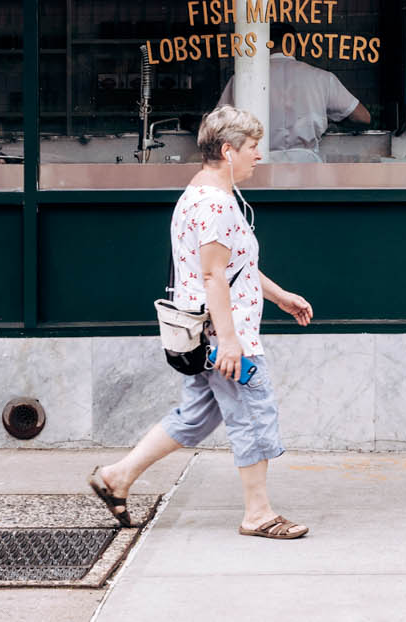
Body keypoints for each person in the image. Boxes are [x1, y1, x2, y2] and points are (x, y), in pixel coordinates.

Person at [89, 106, 315, 540]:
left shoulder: (202, 192)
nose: (259, 155)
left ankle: (116, 477)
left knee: (195, 416)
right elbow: (213, 275)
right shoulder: (215, 204)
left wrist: (280, 296)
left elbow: (235, 266)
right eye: (252, 148)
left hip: (202, 332)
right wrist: (230, 342)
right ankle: (259, 514)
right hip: (222, 334)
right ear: (228, 151)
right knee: (252, 414)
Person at [217, 53, 369, 162]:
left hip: (259, 165)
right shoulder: (321, 77)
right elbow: (363, 117)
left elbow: (218, 127)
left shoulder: (241, 80)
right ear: (291, 43)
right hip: (306, 165)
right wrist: (334, 121)